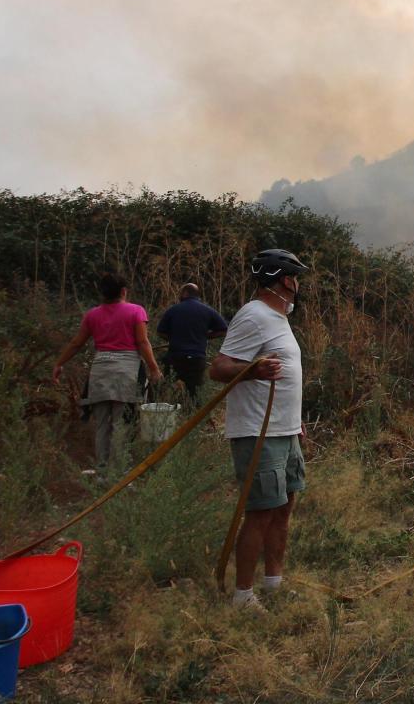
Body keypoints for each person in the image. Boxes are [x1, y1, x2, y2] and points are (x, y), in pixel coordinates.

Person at [209, 249, 310, 612]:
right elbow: (218, 367)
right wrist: (252, 370)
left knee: (283, 508)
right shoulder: (253, 315)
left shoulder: (278, 318)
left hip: (285, 431)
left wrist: (295, 423)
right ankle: (243, 595)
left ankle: (273, 584)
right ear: (285, 280)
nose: (298, 285)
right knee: (261, 511)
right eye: (295, 278)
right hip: (258, 431)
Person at [53, 273, 162, 472]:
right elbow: (142, 342)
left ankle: (102, 470)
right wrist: (154, 368)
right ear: (123, 291)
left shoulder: (92, 315)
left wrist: (59, 363)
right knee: (122, 424)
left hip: (100, 370)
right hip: (126, 371)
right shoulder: (136, 311)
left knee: (102, 424)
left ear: (102, 293)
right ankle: (119, 471)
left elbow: (77, 343)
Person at [155, 283, 228, 406]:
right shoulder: (207, 310)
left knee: (166, 388)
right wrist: (206, 336)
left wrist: (173, 339)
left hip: (175, 357)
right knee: (195, 394)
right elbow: (223, 330)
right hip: (196, 359)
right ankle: (193, 413)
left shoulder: (173, 310)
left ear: (185, 293)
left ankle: (166, 409)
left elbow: (160, 332)